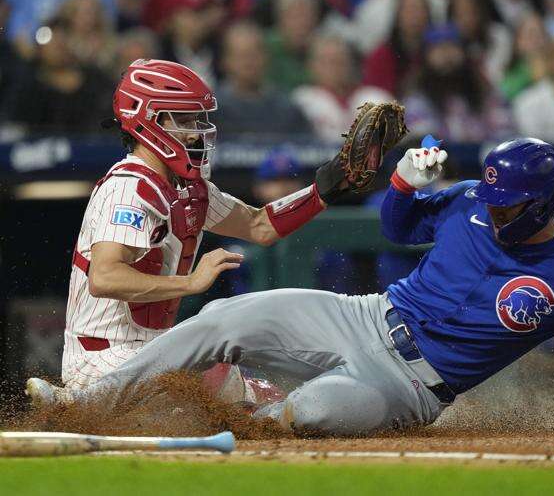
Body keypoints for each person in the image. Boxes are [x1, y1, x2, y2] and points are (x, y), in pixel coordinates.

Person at [35, 138, 554, 437]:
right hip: (364, 316)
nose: (493, 210)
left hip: (413, 388)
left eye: (509, 205)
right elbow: (398, 229)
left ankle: (252, 417)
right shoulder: (469, 197)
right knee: (224, 317)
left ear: (543, 203)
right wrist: (401, 183)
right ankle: (87, 403)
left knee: (314, 413)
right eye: (491, 198)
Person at [24, 58, 381, 408]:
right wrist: (191, 282)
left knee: (268, 404)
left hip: (161, 349)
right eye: (183, 120)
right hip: (104, 357)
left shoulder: (189, 189)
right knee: (192, 408)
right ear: (149, 120)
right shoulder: (129, 188)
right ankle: (76, 403)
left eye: (197, 119)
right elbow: (104, 277)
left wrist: (326, 189)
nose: (196, 132)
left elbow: (260, 226)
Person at [403, 24, 513, 144]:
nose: (446, 55)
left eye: (452, 47)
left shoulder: (484, 91)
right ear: (426, 56)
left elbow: (504, 133)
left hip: (485, 154)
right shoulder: (417, 96)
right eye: (438, 48)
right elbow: (422, 140)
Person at [214, 21, 311, 139]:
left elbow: (307, 146)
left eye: (254, 54)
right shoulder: (210, 111)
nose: (248, 62)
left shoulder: (287, 109)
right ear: (225, 61)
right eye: (241, 56)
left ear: (266, 57)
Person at [293, 34, 392, 144]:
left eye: (339, 60)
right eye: (324, 61)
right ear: (311, 66)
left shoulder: (377, 97)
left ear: (350, 63)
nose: (333, 67)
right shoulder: (301, 100)